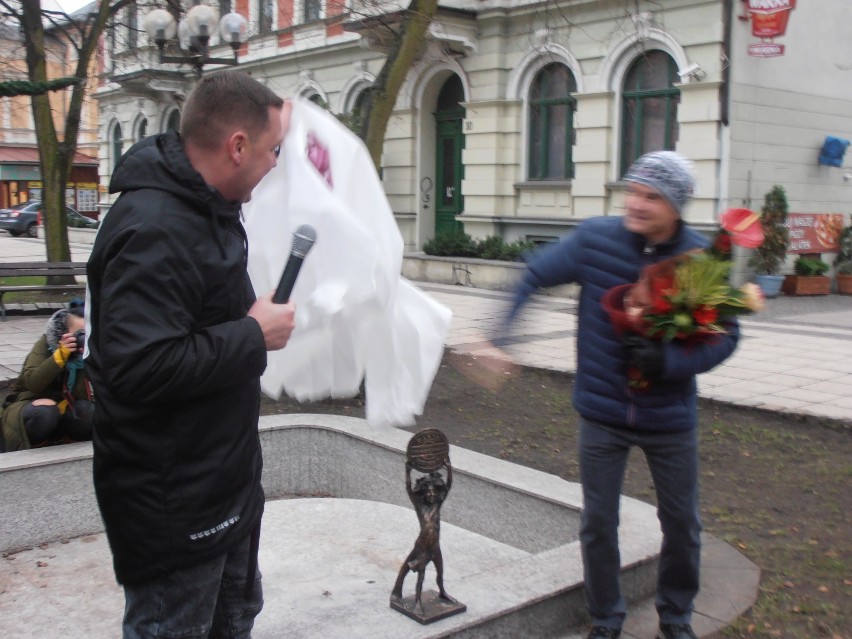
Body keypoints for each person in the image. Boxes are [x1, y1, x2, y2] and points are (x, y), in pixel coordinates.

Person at [85, 71, 296, 639]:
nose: (277, 161)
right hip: (174, 509)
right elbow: (137, 366)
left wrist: (250, 326)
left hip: (220, 490)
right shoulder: (156, 226)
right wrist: (254, 335)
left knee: (233, 621)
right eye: (273, 148)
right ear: (237, 146)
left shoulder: (206, 207)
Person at [501, 151, 739, 639]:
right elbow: (532, 275)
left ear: (676, 205)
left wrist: (669, 363)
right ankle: (606, 621)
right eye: (632, 190)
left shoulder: (699, 259)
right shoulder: (595, 239)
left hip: (669, 417)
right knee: (597, 524)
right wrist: (502, 337)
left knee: (681, 525)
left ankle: (675, 619)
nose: (636, 202)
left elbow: (727, 336)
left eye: (651, 196)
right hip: (602, 413)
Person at [0, 303, 93, 452]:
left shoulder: (88, 353)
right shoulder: (46, 345)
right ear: (62, 333)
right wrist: (60, 356)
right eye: (79, 334)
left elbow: (87, 395)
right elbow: (33, 383)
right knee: (45, 412)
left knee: (88, 411)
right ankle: (37, 451)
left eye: (87, 333)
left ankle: (69, 447)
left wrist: (88, 358)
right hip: (30, 405)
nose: (83, 338)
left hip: (67, 408)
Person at [390, 461, 457, 614]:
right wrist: (408, 472)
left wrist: (449, 468)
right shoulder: (420, 507)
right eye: (429, 493)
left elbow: (448, 486)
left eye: (434, 492)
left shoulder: (437, 505)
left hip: (435, 547)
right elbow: (409, 489)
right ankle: (416, 602)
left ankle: (442, 592)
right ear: (424, 494)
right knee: (419, 574)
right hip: (422, 547)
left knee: (440, 572)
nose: (432, 495)